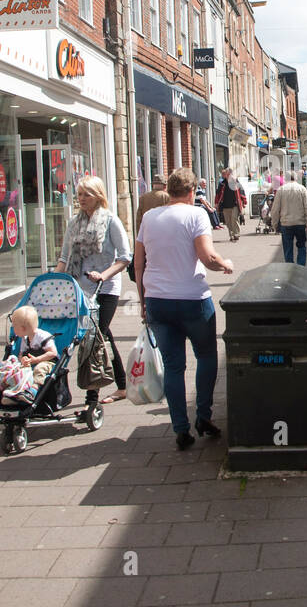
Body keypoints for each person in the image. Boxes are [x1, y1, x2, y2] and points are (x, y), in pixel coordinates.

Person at [134, 168, 234, 450]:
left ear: (169, 190)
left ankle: (180, 428)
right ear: (192, 192)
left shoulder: (149, 217)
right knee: (206, 355)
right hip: (192, 299)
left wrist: (143, 301)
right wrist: (225, 264)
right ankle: (203, 416)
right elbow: (207, 256)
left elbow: (138, 262)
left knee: (174, 366)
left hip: (158, 301)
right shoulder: (196, 214)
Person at [58, 176, 131, 404]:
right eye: (79, 194)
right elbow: (64, 257)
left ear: (98, 196)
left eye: (86, 195)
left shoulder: (110, 221)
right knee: (102, 336)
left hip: (106, 287)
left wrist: (104, 274)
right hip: (80, 288)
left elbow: (124, 257)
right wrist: (54, 280)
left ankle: (92, 393)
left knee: (96, 333)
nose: (81, 199)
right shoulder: (74, 223)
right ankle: (122, 384)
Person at [10, 304, 58, 397]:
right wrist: (23, 359)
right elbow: (22, 354)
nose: (13, 328)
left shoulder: (43, 336)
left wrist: (37, 359)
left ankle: (34, 389)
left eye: (14, 326)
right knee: (18, 369)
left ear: (23, 328)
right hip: (32, 362)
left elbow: (53, 353)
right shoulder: (25, 338)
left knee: (39, 369)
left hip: (48, 362)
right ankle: (17, 389)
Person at [274, 171, 307, 265]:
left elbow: (275, 209)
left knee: (288, 248)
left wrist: (275, 224)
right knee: (301, 246)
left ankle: (289, 268)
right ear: (296, 178)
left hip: (286, 223)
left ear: (286, 178)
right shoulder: (302, 189)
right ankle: (301, 266)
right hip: (300, 223)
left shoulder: (281, 190)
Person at [215, 167, 247, 242]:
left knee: (234, 219)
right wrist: (216, 203)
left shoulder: (235, 181)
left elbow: (241, 191)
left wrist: (244, 201)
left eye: (226, 173)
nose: (224, 175)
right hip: (225, 205)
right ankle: (231, 235)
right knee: (228, 221)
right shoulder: (222, 183)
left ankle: (236, 234)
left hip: (235, 204)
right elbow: (218, 194)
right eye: (225, 174)